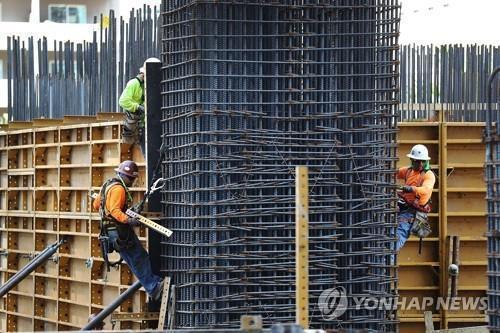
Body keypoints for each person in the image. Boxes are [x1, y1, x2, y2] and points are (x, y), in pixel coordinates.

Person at [92, 160, 163, 300]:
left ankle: (153, 286)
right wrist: (128, 219)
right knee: (139, 258)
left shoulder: (108, 184)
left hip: (110, 232)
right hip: (120, 232)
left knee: (133, 260)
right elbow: (114, 211)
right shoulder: (119, 189)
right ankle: (154, 288)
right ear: (128, 177)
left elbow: (96, 205)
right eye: (132, 179)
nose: (133, 182)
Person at [395, 144, 436, 251]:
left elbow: (426, 190)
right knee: (390, 234)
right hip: (402, 208)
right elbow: (394, 173)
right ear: (412, 161)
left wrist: (411, 189)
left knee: (397, 236)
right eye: (417, 161)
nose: (420, 164)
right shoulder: (408, 171)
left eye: (423, 161)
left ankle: (388, 260)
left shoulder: (428, 175)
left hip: (412, 213)